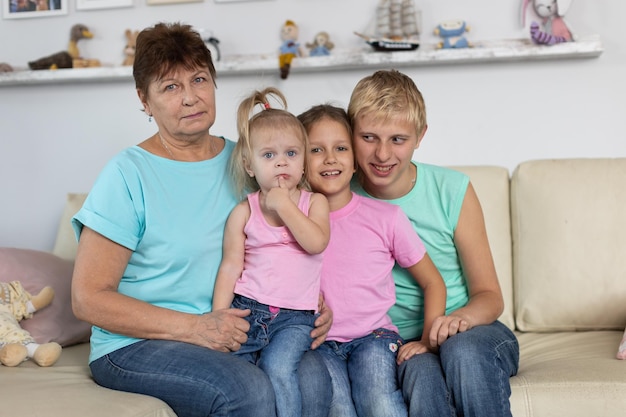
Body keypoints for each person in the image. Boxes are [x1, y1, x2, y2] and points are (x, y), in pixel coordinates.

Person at [70, 22, 332, 417]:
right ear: (145, 100)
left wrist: (307, 299)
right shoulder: (127, 173)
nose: (190, 97)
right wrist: (195, 328)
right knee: (246, 390)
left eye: (198, 79)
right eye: (170, 87)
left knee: (313, 377)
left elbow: (284, 239)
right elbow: (87, 298)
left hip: (246, 325)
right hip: (138, 344)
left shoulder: (249, 161)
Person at [347, 69, 520, 417]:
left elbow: (490, 296)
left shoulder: (451, 190)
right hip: (402, 343)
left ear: (420, 136)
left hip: (472, 329)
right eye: (368, 137)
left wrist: (456, 322)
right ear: (350, 132)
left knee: (463, 352)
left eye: (398, 139)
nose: (382, 154)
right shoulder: (340, 196)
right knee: (421, 377)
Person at [298, 104, 447, 417]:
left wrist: (427, 341)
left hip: (374, 338)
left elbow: (432, 281)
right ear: (298, 160)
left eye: (340, 148)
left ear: (355, 161)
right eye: (316, 150)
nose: (329, 158)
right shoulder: (293, 222)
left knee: (378, 402)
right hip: (319, 343)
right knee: (338, 409)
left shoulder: (386, 218)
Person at [212, 87, 330, 417]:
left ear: (304, 162)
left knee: (278, 370)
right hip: (248, 309)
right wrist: (218, 315)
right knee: (234, 371)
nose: (281, 162)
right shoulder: (243, 212)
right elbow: (230, 266)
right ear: (250, 166)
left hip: (296, 317)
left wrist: (285, 206)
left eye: (291, 153)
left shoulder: (313, 203)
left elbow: (316, 243)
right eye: (269, 156)